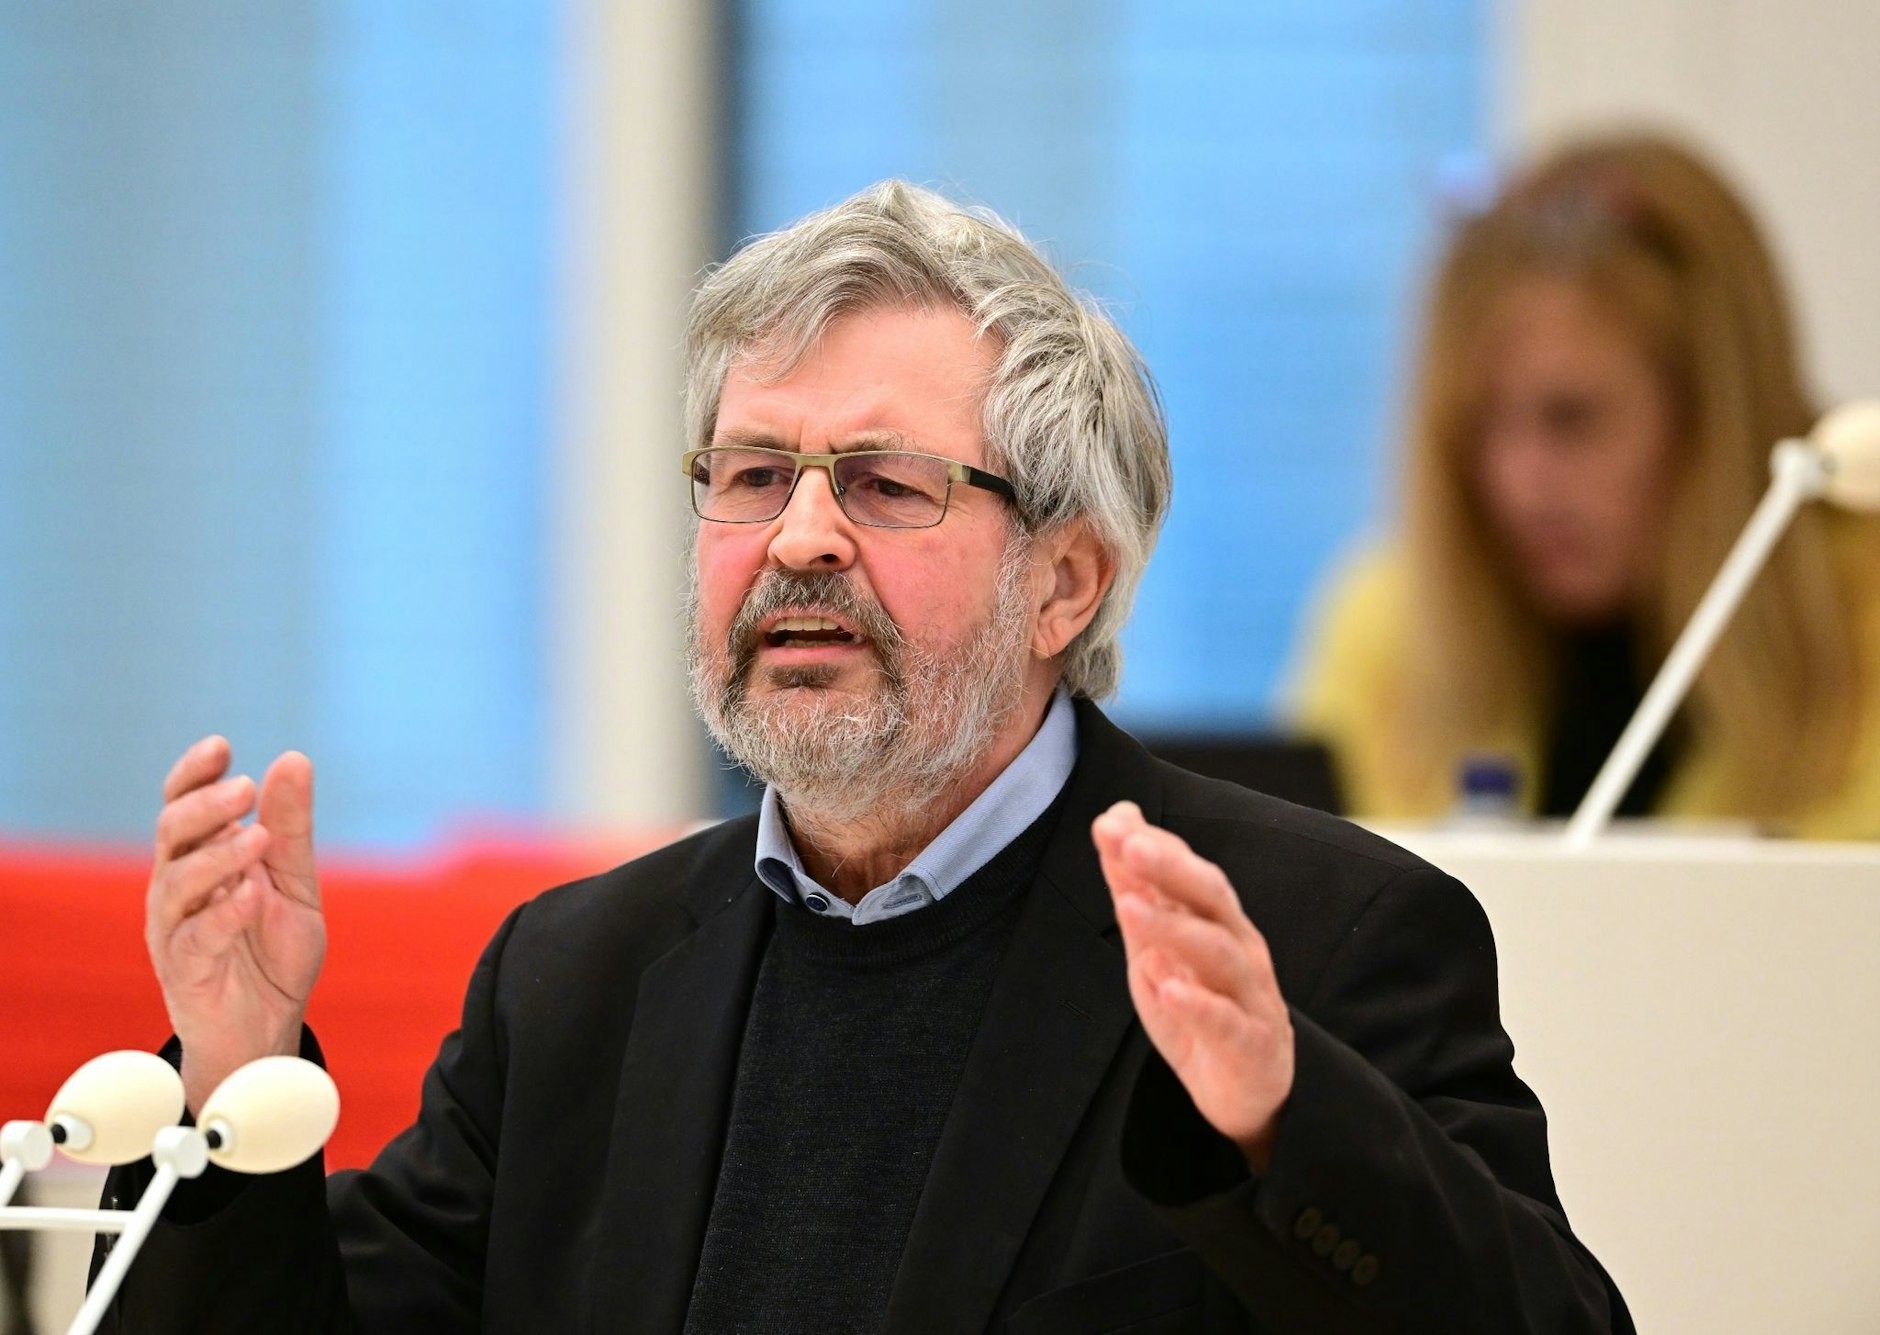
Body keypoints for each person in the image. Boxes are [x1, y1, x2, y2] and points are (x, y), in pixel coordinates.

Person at [97, 181, 1630, 1332]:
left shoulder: (1316, 939)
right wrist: (233, 1068)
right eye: (755, 473)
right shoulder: (574, 980)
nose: (801, 536)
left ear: (1065, 581)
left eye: (888, 483)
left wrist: (1281, 1123)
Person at [1293, 131, 1880, 835]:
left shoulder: (1864, 617)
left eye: (1571, 418)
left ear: (1718, 412)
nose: (1515, 485)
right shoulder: (1388, 624)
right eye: (1477, 425)